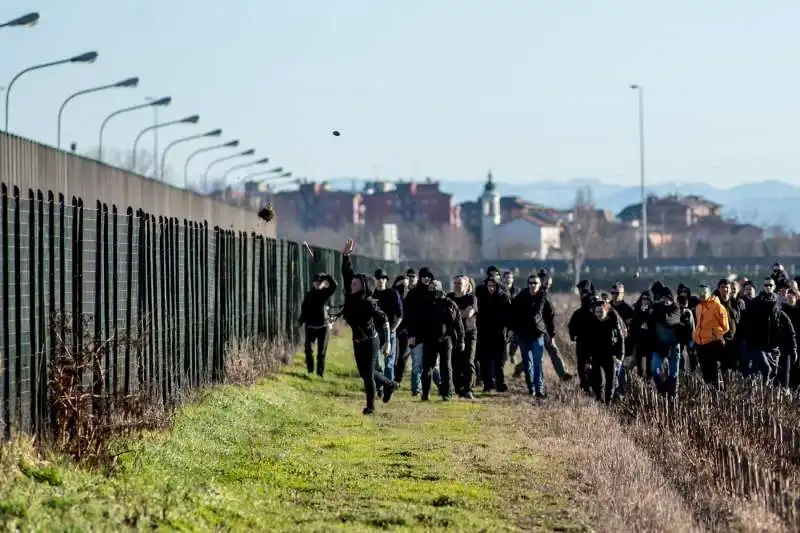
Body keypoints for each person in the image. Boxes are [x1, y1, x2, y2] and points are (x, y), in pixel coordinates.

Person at [340, 239, 398, 414]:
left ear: (363, 287)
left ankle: (371, 407)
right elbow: (347, 273)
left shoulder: (369, 304)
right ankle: (390, 384)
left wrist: (387, 342)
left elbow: (384, 320)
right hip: (357, 340)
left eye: (355, 284)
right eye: (352, 284)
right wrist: (346, 255)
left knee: (368, 375)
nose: (352, 285)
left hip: (371, 341)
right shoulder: (351, 295)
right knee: (366, 373)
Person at [510, 274, 556, 398]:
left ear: (540, 284)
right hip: (524, 335)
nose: (532, 285)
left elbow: (549, 316)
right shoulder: (522, 296)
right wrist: (514, 329)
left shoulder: (543, 297)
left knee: (537, 363)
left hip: (537, 335)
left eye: (535, 283)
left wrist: (552, 335)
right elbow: (513, 312)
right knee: (528, 363)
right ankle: (531, 387)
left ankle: (539, 388)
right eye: (530, 283)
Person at [418, 280, 464, 401]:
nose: (432, 290)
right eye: (430, 288)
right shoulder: (425, 302)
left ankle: (447, 393)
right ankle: (426, 393)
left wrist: (461, 340)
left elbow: (458, 324)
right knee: (427, 368)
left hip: (445, 339)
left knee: (446, 367)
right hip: (429, 340)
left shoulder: (449, 304)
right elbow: (420, 322)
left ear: (439, 289)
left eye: (434, 288)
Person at [298, 243, 338, 377]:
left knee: (321, 352)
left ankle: (320, 374)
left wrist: (327, 276)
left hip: (323, 326)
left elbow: (334, 285)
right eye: (316, 281)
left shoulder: (325, 293)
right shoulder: (309, 294)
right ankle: (310, 370)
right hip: (310, 325)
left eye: (320, 282)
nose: (318, 283)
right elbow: (304, 309)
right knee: (308, 349)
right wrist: (300, 321)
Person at [406, 267, 439, 396]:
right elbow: (409, 317)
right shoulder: (413, 294)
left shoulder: (436, 293)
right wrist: (411, 335)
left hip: (432, 334)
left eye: (429, 276)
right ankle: (416, 389)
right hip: (417, 334)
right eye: (424, 276)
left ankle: (442, 386)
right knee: (417, 362)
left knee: (434, 364)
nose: (427, 279)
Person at [648, 286, 687, 397]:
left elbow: (668, 320)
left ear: (671, 299)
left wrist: (657, 308)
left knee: (673, 374)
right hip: (659, 345)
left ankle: (673, 396)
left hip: (674, 346)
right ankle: (662, 391)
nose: (665, 301)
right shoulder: (656, 308)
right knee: (654, 371)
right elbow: (649, 320)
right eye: (663, 298)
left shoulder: (676, 309)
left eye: (667, 299)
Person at [476, 276, 510, 393]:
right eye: (489, 286)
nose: (491, 288)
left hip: (499, 333)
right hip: (484, 333)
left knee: (498, 361)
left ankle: (500, 383)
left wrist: (508, 330)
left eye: (493, 286)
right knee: (485, 360)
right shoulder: (482, 298)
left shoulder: (503, 297)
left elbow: (508, 315)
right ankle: (488, 384)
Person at [587, 297, 625, 404]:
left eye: (601, 311)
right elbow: (588, 342)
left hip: (611, 355)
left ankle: (608, 402)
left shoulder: (613, 321)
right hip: (596, 354)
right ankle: (600, 399)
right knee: (598, 379)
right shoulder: (592, 322)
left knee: (611, 381)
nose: (599, 314)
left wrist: (620, 356)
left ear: (606, 310)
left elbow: (621, 339)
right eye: (597, 312)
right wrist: (588, 359)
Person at [693, 284, 730, 388]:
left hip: (713, 344)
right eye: (700, 292)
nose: (702, 294)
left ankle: (719, 395)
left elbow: (726, 326)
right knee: (706, 375)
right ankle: (710, 396)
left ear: (709, 293)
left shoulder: (717, 306)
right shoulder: (698, 307)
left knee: (714, 374)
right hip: (700, 344)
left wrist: (713, 334)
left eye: (704, 292)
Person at [448, 275, 478, 399]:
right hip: (454, 334)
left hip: (469, 333)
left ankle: (468, 389)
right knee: (455, 362)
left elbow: (469, 313)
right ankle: (458, 388)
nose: (456, 285)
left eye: (459, 283)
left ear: (466, 285)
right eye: (455, 282)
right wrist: (460, 312)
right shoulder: (449, 297)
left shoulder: (471, 298)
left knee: (468, 361)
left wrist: (454, 313)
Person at [373, 269, 404, 385]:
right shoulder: (372, 294)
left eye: (382, 278)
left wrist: (393, 329)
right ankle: (379, 386)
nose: (379, 280)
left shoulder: (392, 294)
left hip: (389, 330)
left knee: (389, 362)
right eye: (377, 278)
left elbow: (400, 314)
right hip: (375, 331)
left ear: (386, 280)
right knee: (376, 361)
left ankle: (389, 386)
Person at [568, 282, 597, 393]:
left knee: (590, 365)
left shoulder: (593, 299)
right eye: (580, 291)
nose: (581, 293)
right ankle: (585, 387)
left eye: (582, 290)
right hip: (582, 340)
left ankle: (589, 387)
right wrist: (573, 335)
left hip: (592, 340)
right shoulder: (578, 313)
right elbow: (572, 325)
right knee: (582, 365)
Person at [391, 275, 412, 384]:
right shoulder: (392, 295)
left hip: (405, 330)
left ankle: (397, 379)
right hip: (393, 328)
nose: (404, 288)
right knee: (391, 355)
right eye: (402, 285)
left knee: (402, 356)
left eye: (406, 286)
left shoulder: (410, 298)